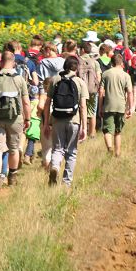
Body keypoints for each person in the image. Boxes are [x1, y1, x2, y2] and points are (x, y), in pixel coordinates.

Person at [0, 51, 31, 191]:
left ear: (1, 61)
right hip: (15, 118)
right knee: (13, 148)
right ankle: (12, 177)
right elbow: (26, 102)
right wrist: (27, 118)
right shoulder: (19, 79)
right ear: (14, 61)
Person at [43, 56, 88, 186]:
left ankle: (55, 167)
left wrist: (46, 123)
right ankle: (66, 183)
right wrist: (84, 127)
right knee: (71, 152)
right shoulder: (80, 82)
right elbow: (83, 106)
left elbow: (47, 103)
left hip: (57, 119)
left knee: (57, 149)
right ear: (77, 67)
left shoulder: (55, 80)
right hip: (74, 120)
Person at [99, 54, 134, 157]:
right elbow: (130, 92)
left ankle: (109, 148)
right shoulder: (126, 75)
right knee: (118, 131)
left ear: (112, 62)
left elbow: (101, 91)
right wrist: (130, 108)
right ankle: (117, 153)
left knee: (107, 130)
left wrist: (100, 107)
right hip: (121, 107)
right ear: (121, 63)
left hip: (108, 106)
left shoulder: (105, 74)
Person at [78, 42, 102, 138]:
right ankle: (92, 133)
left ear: (83, 50)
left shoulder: (78, 60)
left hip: (80, 90)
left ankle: (81, 133)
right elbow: (99, 77)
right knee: (92, 112)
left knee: (80, 111)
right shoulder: (95, 62)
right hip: (92, 90)